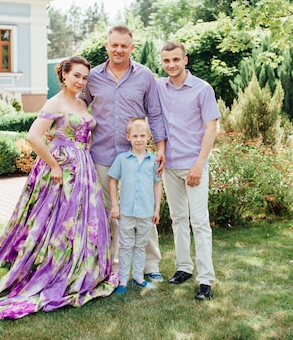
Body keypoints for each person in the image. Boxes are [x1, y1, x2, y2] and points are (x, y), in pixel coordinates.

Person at [0, 56, 116, 319]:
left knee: (80, 219)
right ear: (64, 75)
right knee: (56, 220)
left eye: (84, 77)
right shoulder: (54, 103)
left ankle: (80, 263)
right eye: (76, 75)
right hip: (60, 168)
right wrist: (54, 166)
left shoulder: (81, 102)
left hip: (85, 168)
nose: (80, 81)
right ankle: (50, 265)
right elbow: (33, 136)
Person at [84, 25, 167, 283]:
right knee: (109, 211)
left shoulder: (144, 76)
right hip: (101, 153)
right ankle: (112, 265)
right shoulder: (93, 77)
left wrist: (161, 148)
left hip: (137, 156)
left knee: (143, 208)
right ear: (106, 46)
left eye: (124, 45)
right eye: (114, 45)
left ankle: (150, 265)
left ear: (132, 47)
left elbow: (154, 113)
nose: (119, 49)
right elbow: (79, 106)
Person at [156, 41, 220, 301]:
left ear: (185, 60)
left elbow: (211, 128)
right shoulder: (159, 86)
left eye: (175, 59)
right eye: (166, 61)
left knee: (200, 222)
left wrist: (199, 164)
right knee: (179, 219)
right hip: (169, 166)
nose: (171, 65)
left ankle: (205, 281)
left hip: (194, 165)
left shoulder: (202, 89)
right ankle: (184, 267)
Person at [108, 118, 163, 294]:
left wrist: (156, 209)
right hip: (127, 212)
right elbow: (112, 180)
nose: (139, 139)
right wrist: (115, 205)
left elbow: (157, 185)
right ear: (128, 137)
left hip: (146, 212)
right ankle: (123, 280)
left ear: (149, 137)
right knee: (125, 245)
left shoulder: (153, 160)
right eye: (135, 136)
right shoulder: (122, 159)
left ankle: (138, 278)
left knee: (140, 245)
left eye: (142, 135)